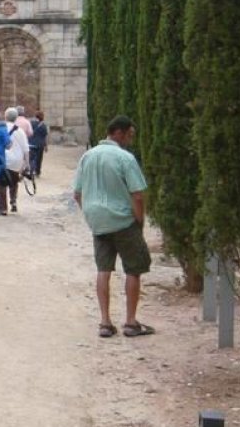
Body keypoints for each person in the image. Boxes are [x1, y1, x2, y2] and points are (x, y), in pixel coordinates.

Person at [73, 115, 154, 339]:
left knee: (103, 269)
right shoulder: (125, 158)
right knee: (134, 269)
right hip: (123, 220)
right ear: (118, 132)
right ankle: (130, 321)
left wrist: (90, 213)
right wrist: (140, 220)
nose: (130, 139)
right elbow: (137, 195)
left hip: (98, 222)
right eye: (129, 134)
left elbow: (77, 193)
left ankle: (105, 322)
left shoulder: (87, 157)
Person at [3, 107, 30, 213]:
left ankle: (3, 208)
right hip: (16, 161)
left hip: (4, 159)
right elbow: (26, 149)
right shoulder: (20, 131)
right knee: (14, 182)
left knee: (1, 185)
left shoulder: (2, 129)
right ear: (16, 118)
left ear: (5, 117)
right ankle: (13, 201)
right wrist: (27, 163)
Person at [29, 110, 49, 177]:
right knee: (39, 159)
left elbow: (29, 132)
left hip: (31, 143)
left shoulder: (31, 123)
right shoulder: (43, 125)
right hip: (40, 144)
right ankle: (37, 171)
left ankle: (31, 170)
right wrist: (46, 146)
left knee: (32, 158)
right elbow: (45, 136)